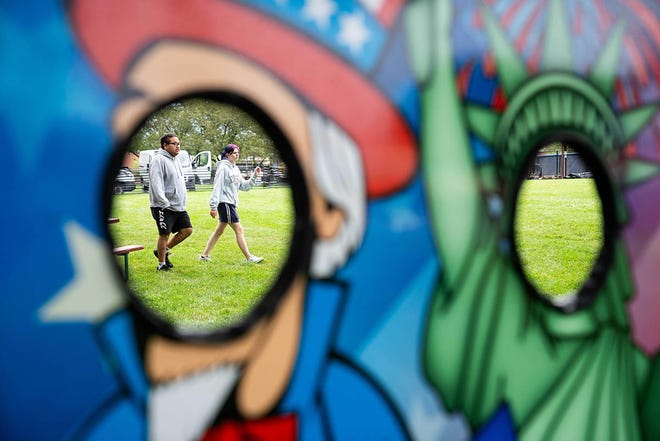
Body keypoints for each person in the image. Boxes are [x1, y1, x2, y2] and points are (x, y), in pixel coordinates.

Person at [199, 144, 263, 263]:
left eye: (238, 152)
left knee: (219, 231)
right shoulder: (223, 168)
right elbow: (217, 187)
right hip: (225, 203)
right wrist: (213, 206)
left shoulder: (235, 169)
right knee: (239, 229)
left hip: (230, 204)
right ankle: (249, 257)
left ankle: (204, 256)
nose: (237, 155)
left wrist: (254, 176)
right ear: (227, 154)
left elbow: (244, 186)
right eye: (234, 153)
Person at [149, 133, 193, 271]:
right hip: (163, 206)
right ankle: (161, 265)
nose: (178, 146)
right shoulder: (158, 160)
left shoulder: (176, 160)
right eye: (175, 144)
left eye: (179, 143)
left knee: (187, 230)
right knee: (164, 234)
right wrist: (163, 202)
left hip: (178, 206)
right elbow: (156, 183)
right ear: (165, 145)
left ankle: (163, 250)